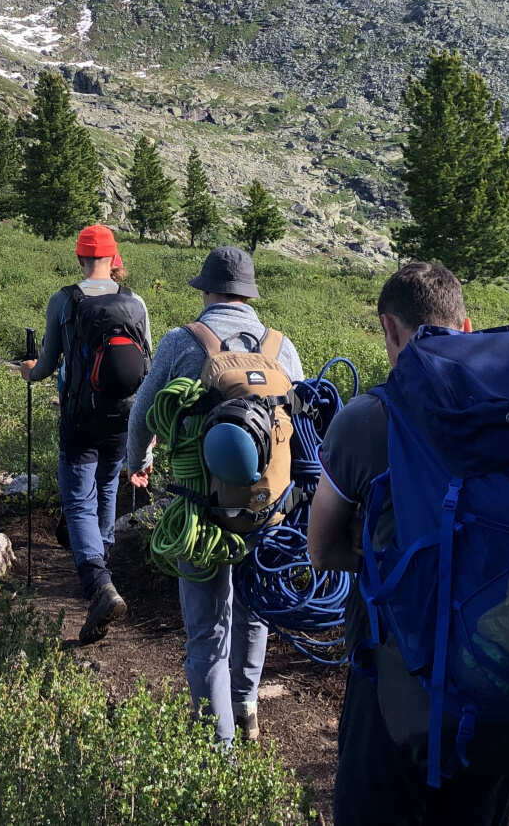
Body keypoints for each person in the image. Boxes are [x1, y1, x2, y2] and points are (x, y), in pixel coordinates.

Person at [308, 260, 509, 826]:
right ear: (467, 329)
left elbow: (319, 551)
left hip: (393, 678)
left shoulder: (368, 418)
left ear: (388, 330)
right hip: (501, 671)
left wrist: (393, 562)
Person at [126, 246, 304, 747]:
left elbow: (142, 416)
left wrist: (136, 463)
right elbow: (304, 428)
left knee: (206, 631)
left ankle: (215, 747)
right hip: (266, 512)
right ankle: (246, 708)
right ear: (248, 294)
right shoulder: (281, 348)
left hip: (198, 515)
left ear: (206, 290)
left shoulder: (183, 342)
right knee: (253, 611)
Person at [23, 224, 151, 644]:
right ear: (114, 260)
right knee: (107, 485)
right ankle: (104, 563)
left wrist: (30, 372)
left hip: (80, 416)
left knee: (78, 499)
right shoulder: (135, 303)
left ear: (80, 258)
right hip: (124, 416)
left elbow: (47, 364)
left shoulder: (65, 300)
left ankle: (98, 584)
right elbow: (145, 367)